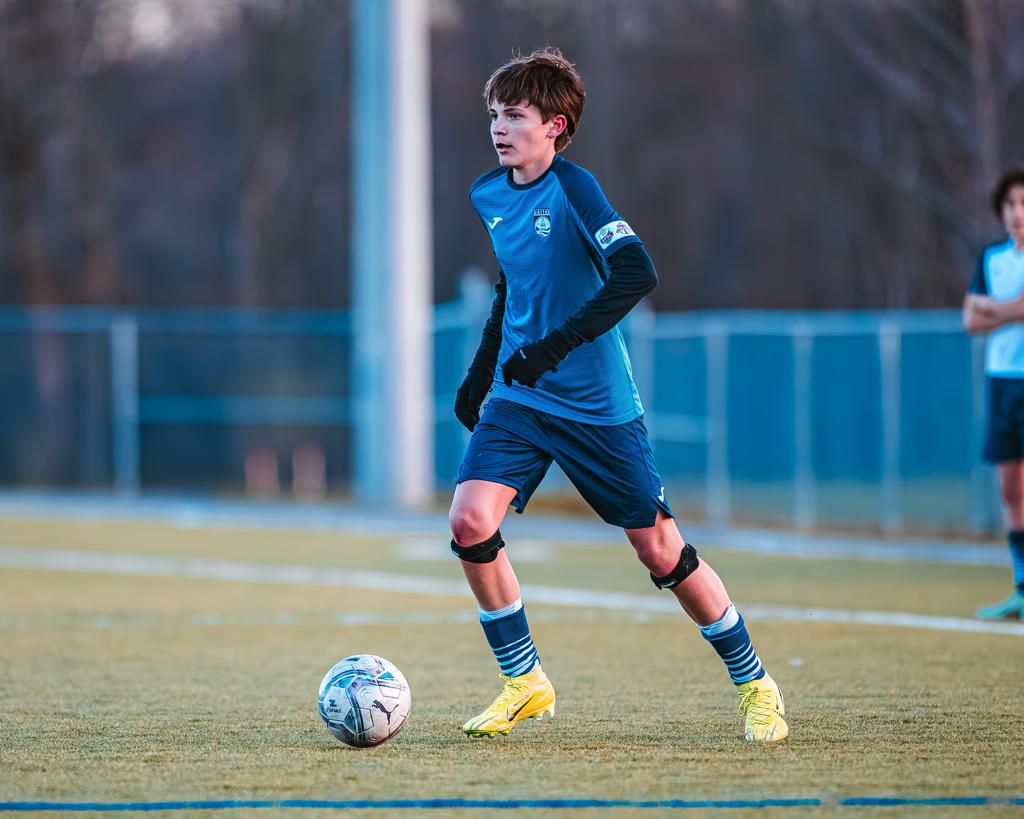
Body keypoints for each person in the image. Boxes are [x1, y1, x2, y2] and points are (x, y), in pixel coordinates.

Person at [448, 48, 788, 742]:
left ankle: (756, 683)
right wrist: (482, 372)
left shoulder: (576, 189)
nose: (500, 128)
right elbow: (512, 284)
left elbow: (636, 272)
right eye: (495, 115)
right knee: (470, 521)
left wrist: (554, 347)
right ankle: (524, 681)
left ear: (556, 125)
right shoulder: (489, 192)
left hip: (596, 406)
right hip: (520, 396)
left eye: (516, 115)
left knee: (660, 550)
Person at [963, 167, 1024, 621]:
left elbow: (984, 313)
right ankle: (1020, 587)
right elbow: (970, 320)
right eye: (1010, 205)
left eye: (1023, 204)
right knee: (1010, 489)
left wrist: (992, 310)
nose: (1017, 213)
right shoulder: (991, 258)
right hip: (1002, 381)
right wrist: (1014, 309)